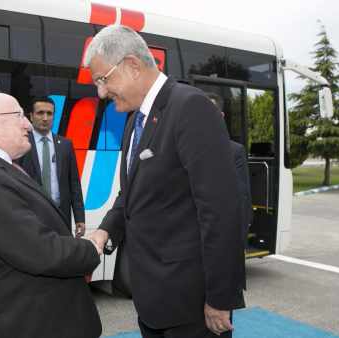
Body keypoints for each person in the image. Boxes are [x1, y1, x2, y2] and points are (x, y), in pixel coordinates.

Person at [85, 25, 245, 338]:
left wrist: (219, 298)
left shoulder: (190, 107)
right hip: (153, 299)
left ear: (132, 65)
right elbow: (131, 193)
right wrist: (105, 231)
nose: (101, 92)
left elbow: (220, 211)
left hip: (191, 304)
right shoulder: (134, 119)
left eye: (103, 79)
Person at [0, 93, 102, 338]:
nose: (27, 123)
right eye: (19, 115)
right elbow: (40, 251)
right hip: (29, 324)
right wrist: (90, 248)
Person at [206, 92, 253, 308]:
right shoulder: (179, 147)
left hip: (221, 251)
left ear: (221, 116)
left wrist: (236, 247)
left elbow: (241, 202)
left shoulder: (234, 152)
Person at [18, 96, 85, 236]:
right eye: (40, 113)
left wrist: (80, 218)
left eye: (49, 113)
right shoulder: (21, 143)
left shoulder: (65, 145)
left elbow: (74, 184)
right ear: (31, 116)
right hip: (32, 215)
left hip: (61, 215)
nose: (45, 118)